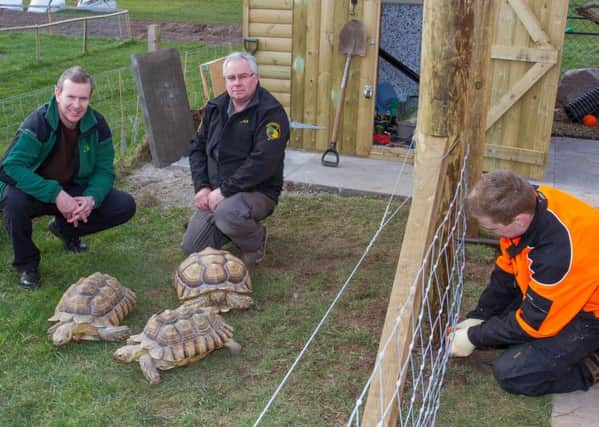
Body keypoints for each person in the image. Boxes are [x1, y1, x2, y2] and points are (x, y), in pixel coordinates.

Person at [447, 170, 599, 396]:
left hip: (591, 313)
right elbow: (506, 272)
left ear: (518, 220)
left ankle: (591, 365)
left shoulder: (557, 256)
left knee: (513, 373)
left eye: (493, 229)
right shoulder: (529, 202)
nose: (493, 234)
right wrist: (481, 314)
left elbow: (533, 323)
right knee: (504, 326)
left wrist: (473, 337)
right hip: (571, 290)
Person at [0, 66, 136, 290]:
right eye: (70, 96)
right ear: (57, 93)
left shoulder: (97, 125)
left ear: (90, 98)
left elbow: (104, 171)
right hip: (35, 190)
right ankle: (27, 265)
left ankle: (64, 229)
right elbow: (9, 167)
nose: (76, 105)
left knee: (124, 205)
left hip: (73, 189)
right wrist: (55, 194)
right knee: (13, 201)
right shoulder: (38, 123)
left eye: (83, 98)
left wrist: (91, 198)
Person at [181, 52, 289, 264]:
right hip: (218, 192)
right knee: (191, 247)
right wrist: (202, 187)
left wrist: (224, 192)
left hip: (257, 191)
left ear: (255, 78)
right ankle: (230, 228)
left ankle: (256, 240)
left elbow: (263, 162)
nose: (237, 83)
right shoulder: (215, 108)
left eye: (243, 76)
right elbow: (197, 148)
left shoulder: (271, 113)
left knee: (227, 214)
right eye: (231, 78)